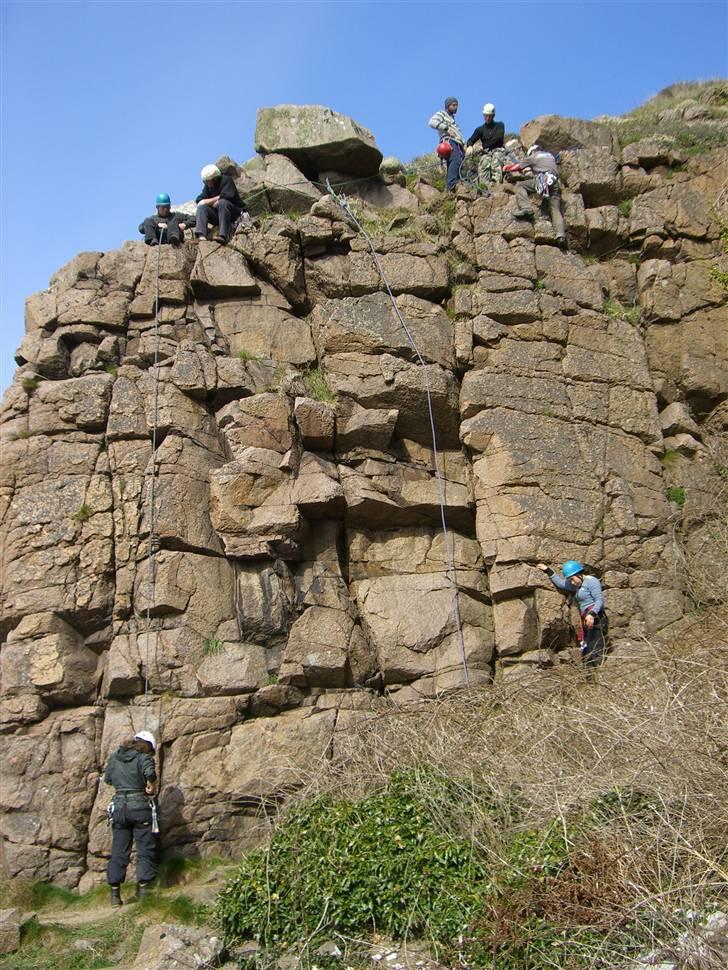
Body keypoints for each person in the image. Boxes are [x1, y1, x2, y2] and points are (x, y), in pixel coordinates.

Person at [104, 730, 159, 906]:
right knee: (145, 849)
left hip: (119, 808)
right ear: (148, 746)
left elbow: (108, 779)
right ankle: (144, 893)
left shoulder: (115, 757)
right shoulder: (144, 757)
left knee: (119, 850)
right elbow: (150, 774)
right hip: (139, 807)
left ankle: (115, 895)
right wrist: (150, 785)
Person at [537, 560, 608, 668]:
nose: (572, 582)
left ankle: (599, 671)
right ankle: (589, 674)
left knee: (596, 646)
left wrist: (592, 614)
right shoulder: (576, 585)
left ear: (579, 574)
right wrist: (547, 570)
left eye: (572, 579)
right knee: (585, 647)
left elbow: (599, 600)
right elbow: (561, 584)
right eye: (570, 580)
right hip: (586, 618)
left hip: (597, 617)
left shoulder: (591, 581)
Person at [512, 144, 568, 250]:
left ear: (532, 151)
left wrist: (507, 168)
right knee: (555, 210)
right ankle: (561, 236)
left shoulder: (534, 156)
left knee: (520, 186)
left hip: (543, 180)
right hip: (555, 182)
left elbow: (518, 166)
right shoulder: (550, 155)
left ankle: (526, 208)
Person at [194, 164, 245, 244]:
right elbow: (199, 200)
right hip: (219, 216)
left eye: (207, 181)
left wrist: (218, 200)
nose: (206, 183)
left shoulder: (226, 180)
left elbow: (228, 195)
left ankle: (223, 236)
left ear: (214, 179)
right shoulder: (208, 187)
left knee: (222, 202)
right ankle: (201, 236)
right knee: (202, 207)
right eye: (205, 181)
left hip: (234, 214)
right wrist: (212, 201)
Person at [428, 97, 466, 193]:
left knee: (458, 164)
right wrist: (446, 128)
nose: (456, 107)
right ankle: (452, 184)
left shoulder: (453, 120)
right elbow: (432, 122)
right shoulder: (442, 114)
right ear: (447, 106)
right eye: (453, 105)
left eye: (457, 105)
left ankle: (454, 188)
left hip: (458, 144)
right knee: (455, 160)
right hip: (449, 142)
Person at [465, 103, 506, 185]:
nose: (487, 118)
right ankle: (484, 187)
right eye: (486, 116)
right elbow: (471, 139)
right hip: (486, 153)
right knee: (484, 164)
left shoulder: (500, 125)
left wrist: (484, 147)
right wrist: (469, 146)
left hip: (498, 150)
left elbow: (498, 138)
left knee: (496, 162)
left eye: (490, 116)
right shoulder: (480, 129)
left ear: (493, 116)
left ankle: (496, 185)